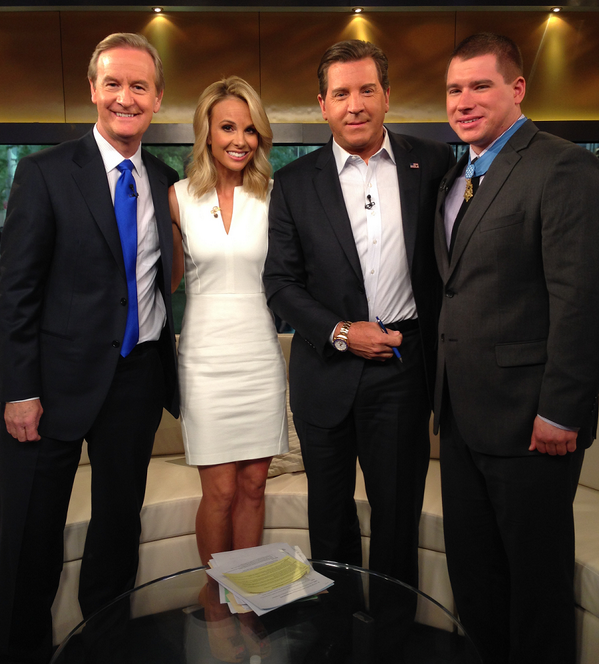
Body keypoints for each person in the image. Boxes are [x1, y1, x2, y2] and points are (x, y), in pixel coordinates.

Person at [0, 33, 179, 664]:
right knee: (30, 536)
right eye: (113, 84)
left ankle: (106, 648)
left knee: (117, 531)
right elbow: (15, 291)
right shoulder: (44, 173)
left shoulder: (166, 180)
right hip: (50, 388)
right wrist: (19, 390)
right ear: (93, 91)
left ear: (157, 98)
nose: (125, 98)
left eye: (139, 86)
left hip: (136, 379)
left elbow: (161, 281)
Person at [263, 40, 455, 587]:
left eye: (367, 90)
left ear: (387, 96)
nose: (355, 105)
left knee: (397, 520)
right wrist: (344, 332)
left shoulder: (433, 163)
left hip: (402, 370)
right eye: (341, 94)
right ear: (322, 104)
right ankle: (336, 625)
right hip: (324, 370)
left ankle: (393, 629)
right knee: (329, 522)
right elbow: (280, 283)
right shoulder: (295, 183)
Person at [435, 32, 599, 664]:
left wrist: (562, 410)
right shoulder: (457, 175)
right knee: (475, 578)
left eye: (481, 85)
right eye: (454, 89)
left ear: (518, 88)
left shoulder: (563, 166)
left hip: (532, 422)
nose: (465, 101)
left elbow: (581, 298)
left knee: (535, 587)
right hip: (462, 418)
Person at [169, 76, 288, 661]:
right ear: (207, 133)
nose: (239, 139)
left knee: (253, 485)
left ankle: (249, 597)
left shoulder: (276, 196)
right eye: (227, 127)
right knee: (218, 490)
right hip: (205, 355)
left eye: (249, 129)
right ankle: (216, 598)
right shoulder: (176, 197)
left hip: (259, 353)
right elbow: (161, 279)